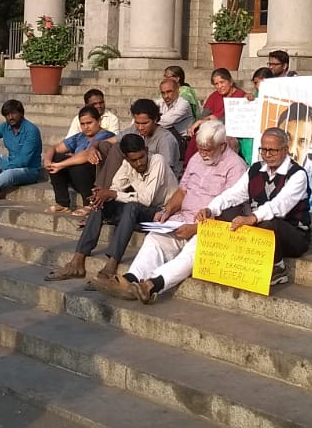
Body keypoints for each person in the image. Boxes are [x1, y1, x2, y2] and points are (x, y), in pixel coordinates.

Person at [92, 120, 247, 303]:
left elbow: (230, 210)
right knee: (154, 238)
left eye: (208, 150)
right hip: (184, 217)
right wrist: (168, 211)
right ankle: (131, 280)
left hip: (213, 226)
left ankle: (151, 284)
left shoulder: (236, 166)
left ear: (222, 146)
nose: (203, 153)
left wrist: (195, 228)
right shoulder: (196, 159)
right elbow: (182, 191)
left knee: (193, 252)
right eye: (200, 148)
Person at [47, 133, 179, 283]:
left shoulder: (157, 161)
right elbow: (116, 187)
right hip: (138, 211)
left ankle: (111, 265)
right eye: (133, 160)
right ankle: (77, 260)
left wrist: (111, 193)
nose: (139, 163)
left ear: (146, 150)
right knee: (101, 204)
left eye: (141, 157)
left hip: (160, 213)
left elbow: (146, 199)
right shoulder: (127, 165)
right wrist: (101, 195)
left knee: (131, 207)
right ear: (127, 158)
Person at [197, 127, 312, 286]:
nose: (267, 155)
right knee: (223, 213)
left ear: (285, 150)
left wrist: (252, 217)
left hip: (292, 235)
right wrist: (211, 208)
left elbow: (280, 205)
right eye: (264, 150)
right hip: (258, 228)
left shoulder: (297, 174)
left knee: (269, 222)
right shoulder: (256, 169)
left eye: (272, 150)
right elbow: (234, 193)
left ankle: (278, 269)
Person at [62, 99, 183, 219]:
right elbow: (107, 141)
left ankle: (101, 198)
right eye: (137, 123)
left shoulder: (165, 139)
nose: (140, 127)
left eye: (145, 123)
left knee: (117, 148)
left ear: (155, 119)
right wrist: (93, 147)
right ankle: (101, 195)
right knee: (104, 146)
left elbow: (164, 172)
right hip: (135, 176)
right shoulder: (134, 130)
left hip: (157, 186)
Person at [44, 105, 115, 214]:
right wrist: (48, 161)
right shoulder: (79, 137)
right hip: (77, 177)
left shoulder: (105, 135)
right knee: (56, 157)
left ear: (99, 121)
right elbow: (53, 148)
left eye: (89, 123)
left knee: (79, 165)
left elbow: (85, 155)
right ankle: (62, 204)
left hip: (95, 177)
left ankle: (89, 204)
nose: (86, 127)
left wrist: (60, 165)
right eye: (83, 124)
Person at [185, 68, 246, 163]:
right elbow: (203, 115)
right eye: (216, 84)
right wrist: (199, 122)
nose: (220, 86)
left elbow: (231, 119)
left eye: (222, 82)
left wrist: (211, 120)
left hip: (229, 131)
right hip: (210, 128)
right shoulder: (214, 96)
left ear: (230, 82)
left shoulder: (241, 95)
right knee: (196, 136)